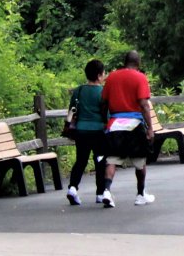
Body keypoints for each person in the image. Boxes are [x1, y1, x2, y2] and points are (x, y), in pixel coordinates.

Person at [97, 50, 156, 208]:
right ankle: (140, 194)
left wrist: (104, 121)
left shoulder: (112, 77)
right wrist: (150, 127)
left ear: (124, 61)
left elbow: (103, 103)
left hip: (115, 123)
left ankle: (107, 191)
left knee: (112, 159)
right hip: (134, 123)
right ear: (139, 63)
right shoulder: (140, 77)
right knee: (140, 160)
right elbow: (143, 104)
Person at [63, 59, 108, 206]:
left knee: (81, 161)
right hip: (98, 131)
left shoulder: (79, 90)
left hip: (81, 130)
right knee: (100, 161)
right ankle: (100, 193)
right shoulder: (103, 92)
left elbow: (72, 110)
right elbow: (107, 113)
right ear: (100, 75)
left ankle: (73, 188)